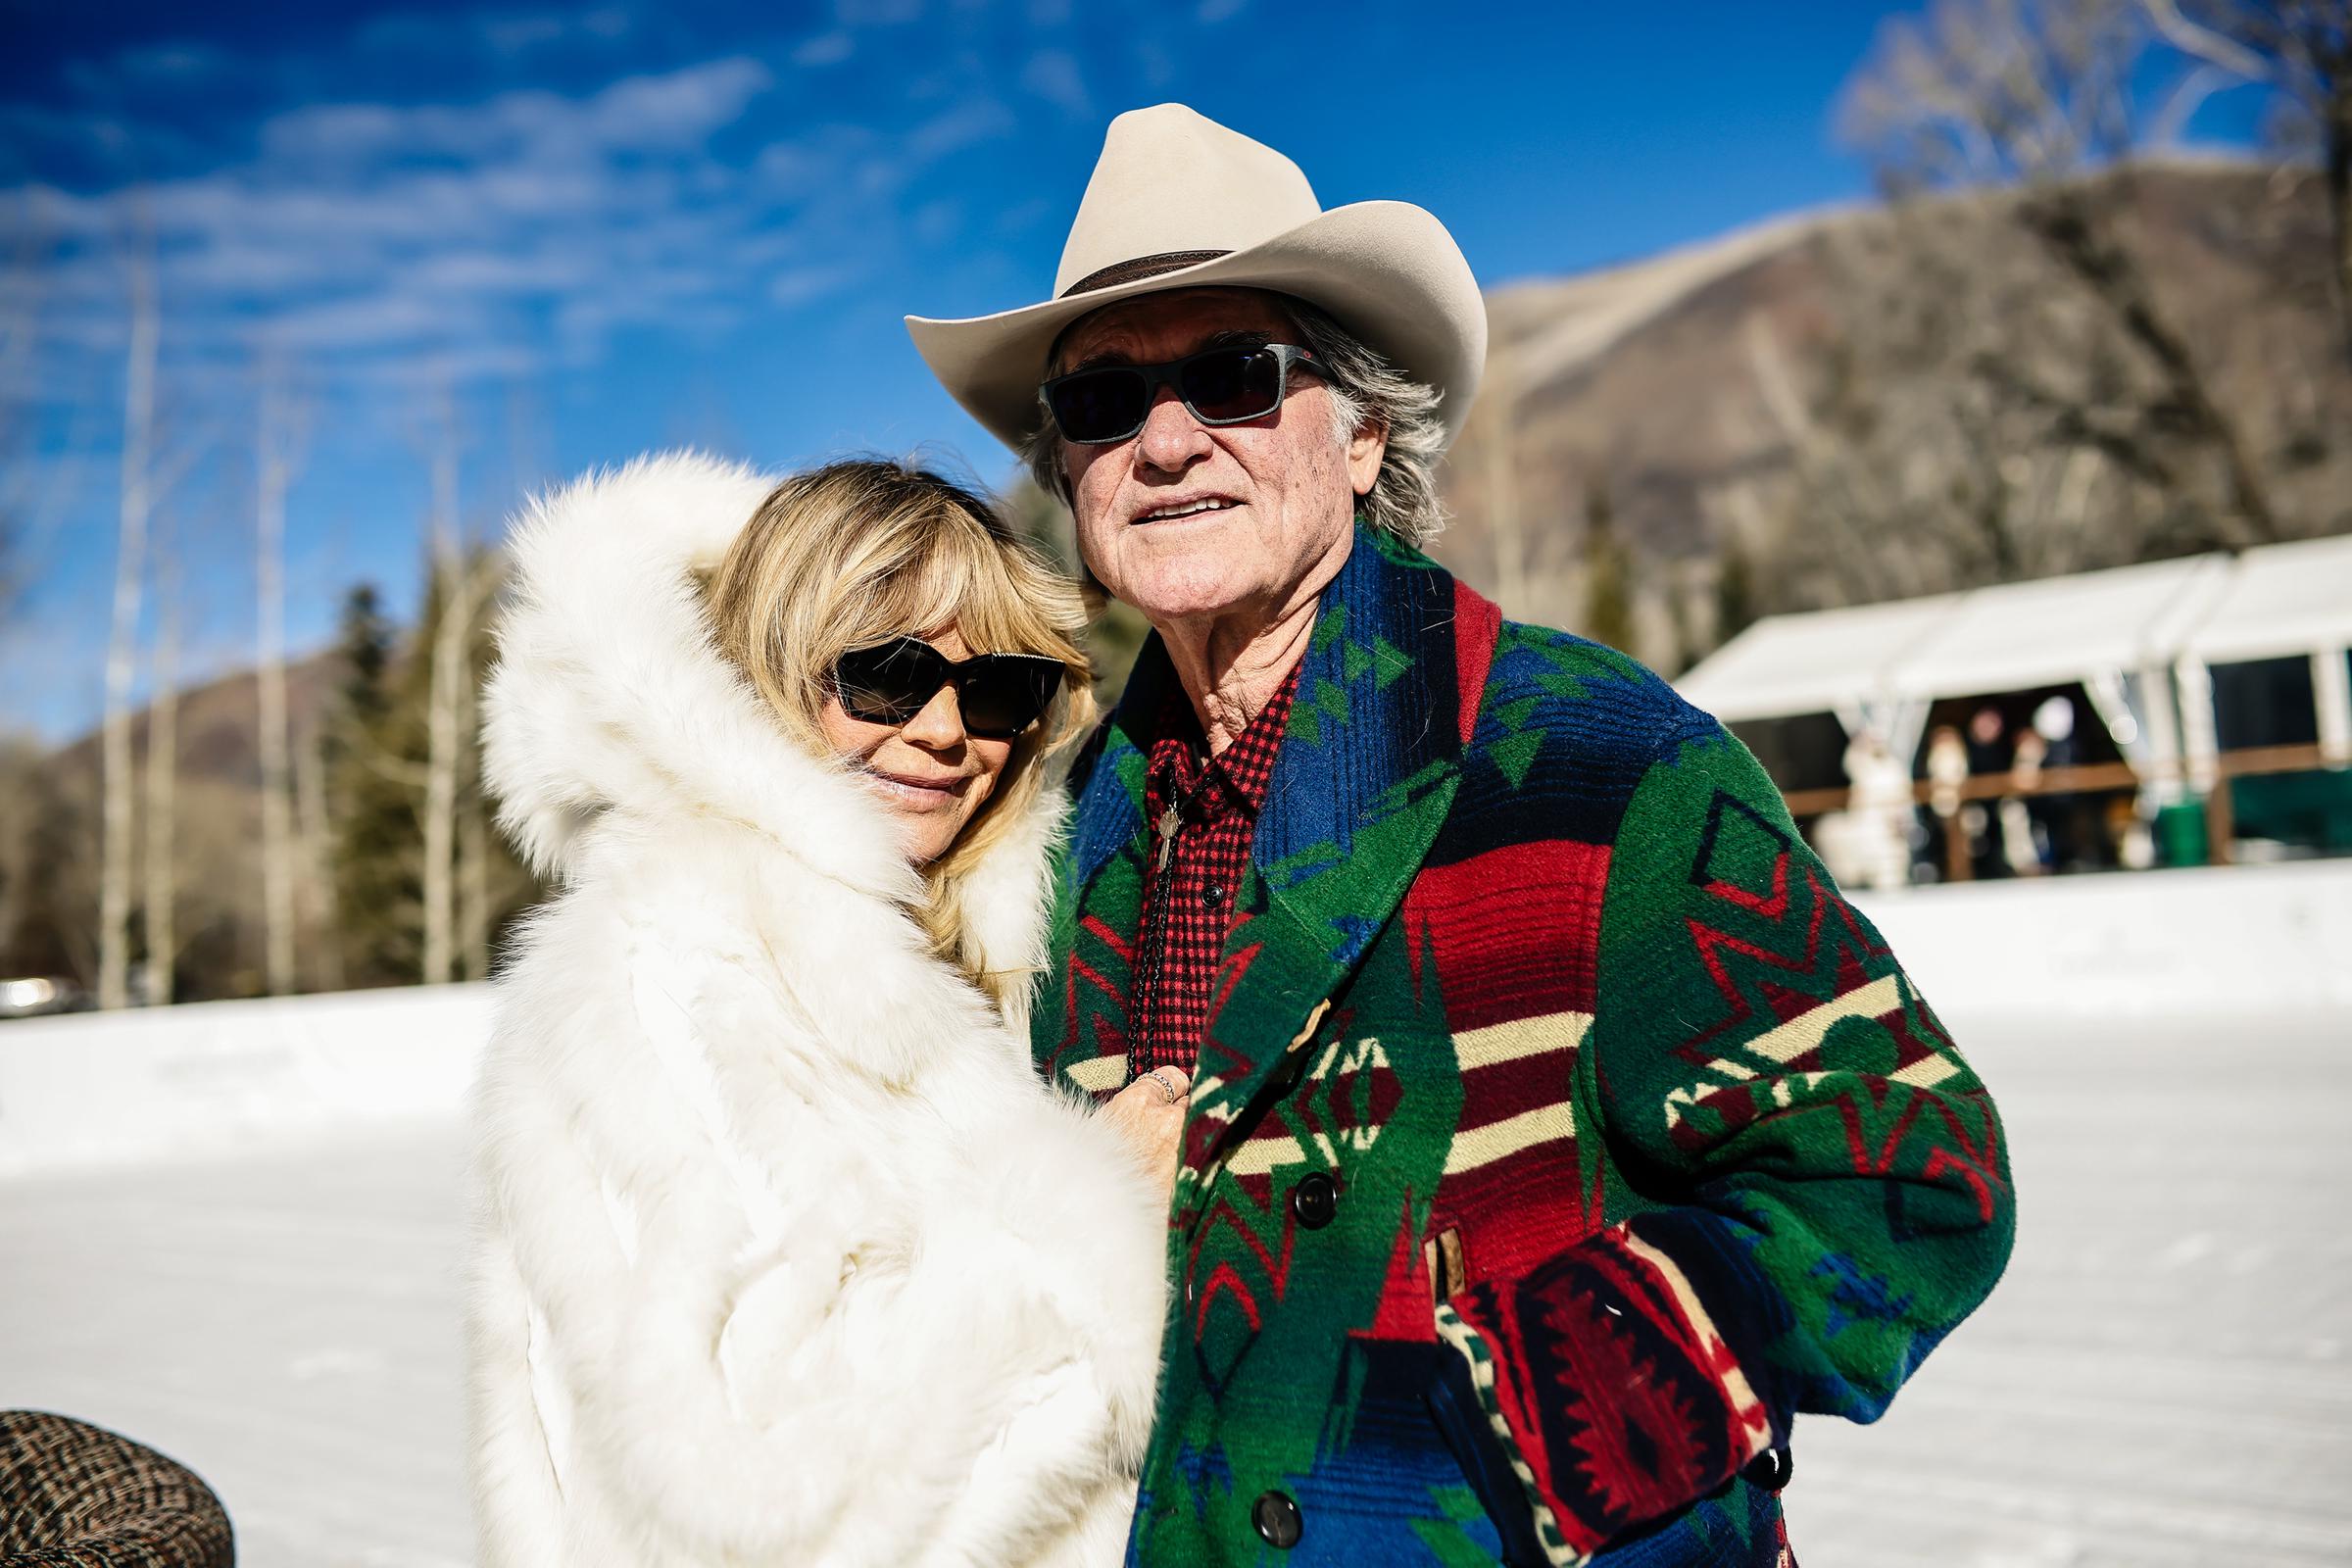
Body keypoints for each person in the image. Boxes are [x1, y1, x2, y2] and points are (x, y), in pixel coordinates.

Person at [908, 105, 2017, 1566]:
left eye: (1235, 378)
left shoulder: (1591, 758)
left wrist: (1540, 1425)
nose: (1166, 441)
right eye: (1105, 402)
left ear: (1363, 435)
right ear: (1069, 472)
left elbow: (1913, 1171)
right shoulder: (1039, 846)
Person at [464, 455, 1187, 1567]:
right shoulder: (681, 969)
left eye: (999, 688)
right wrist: (1100, 1223)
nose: (951, 732)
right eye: (888, 675)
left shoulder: (926, 961)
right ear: (759, 673)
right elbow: (765, 1510)